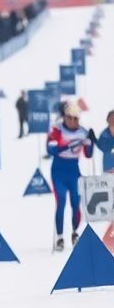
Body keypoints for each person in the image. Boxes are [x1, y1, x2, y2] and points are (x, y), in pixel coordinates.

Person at [47, 102, 94, 250]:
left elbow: (88, 155)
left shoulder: (83, 131)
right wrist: (70, 145)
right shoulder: (57, 129)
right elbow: (52, 150)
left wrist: (90, 142)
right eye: (69, 118)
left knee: (75, 203)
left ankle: (75, 233)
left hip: (74, 170)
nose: (72, 121)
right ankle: (60, 237)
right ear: (64, 117)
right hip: (59, 171)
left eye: (75, 118)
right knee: (61, 202)